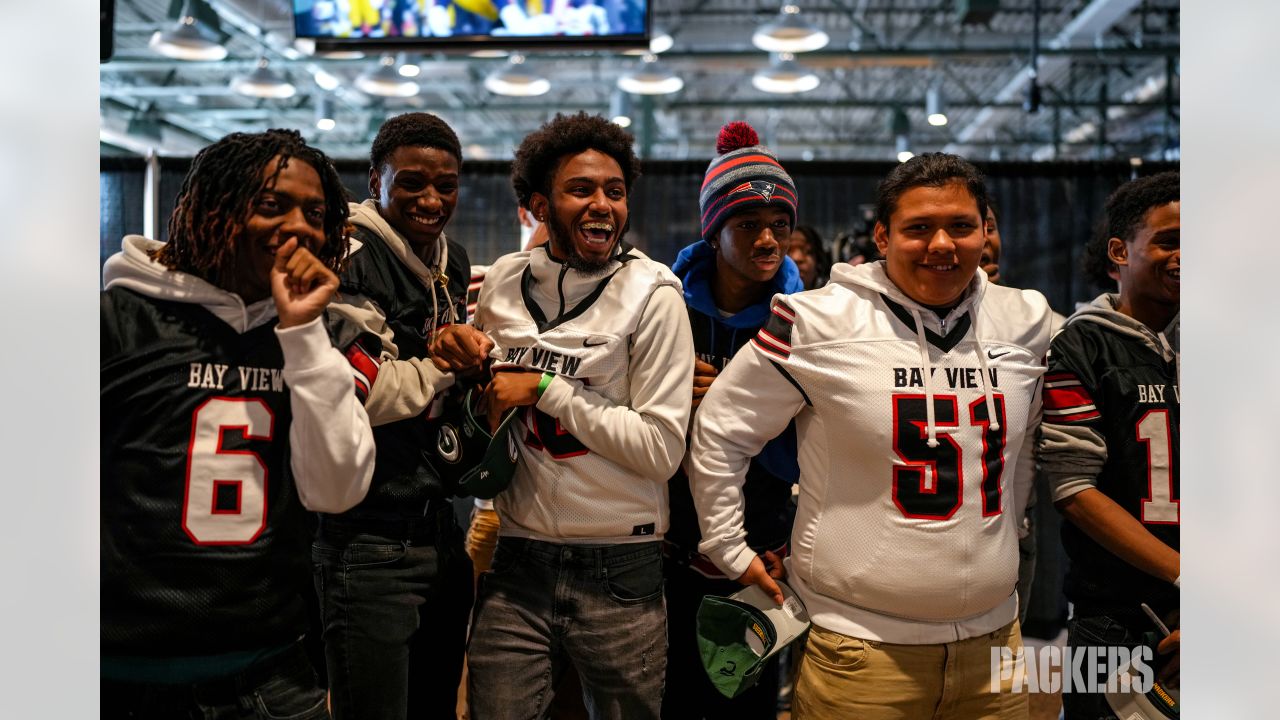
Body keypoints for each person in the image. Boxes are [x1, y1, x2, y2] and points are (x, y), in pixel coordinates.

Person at [688, 153, 1056, 720]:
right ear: (882, 236)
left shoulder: (1028, 319)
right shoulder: (816, 321)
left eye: (961, 226)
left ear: (986, 230)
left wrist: (1014, 525)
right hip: (860, 652)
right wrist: (728, 548)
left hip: (994, 649)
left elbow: (1026, 444)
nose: (942, 244)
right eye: (918, 228)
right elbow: (719, 430)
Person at [101, 129, 375, 718]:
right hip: (116, 671)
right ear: (212, 210)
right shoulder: (115, 321)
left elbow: (336, 491)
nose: (299, 227)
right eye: (271, 205)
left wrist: (302, 332)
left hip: (268, 674)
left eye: (316, 214)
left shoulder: (324, 336)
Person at [461, 111, 694, 720]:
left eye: (615, 192)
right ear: (540, 205)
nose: (602, 206)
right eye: (581, 190)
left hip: (621, 562)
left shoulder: (656, 294)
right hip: (517, 556)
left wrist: (545, 387)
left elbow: (660, 449)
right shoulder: (498, 283)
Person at [314, 111, 482, 720]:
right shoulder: (349, 254)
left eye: (447, 184)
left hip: (439, 522)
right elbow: (364, 394)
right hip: (367, 533)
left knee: (437, 704)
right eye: (411, 182)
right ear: (375, 180)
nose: (432, 199)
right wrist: (448, 366)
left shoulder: (451, 258)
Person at [663, 120, 804, 720]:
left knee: (742, 703)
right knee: (668, 700)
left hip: (760, 553)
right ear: (714, 231)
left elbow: (809, 451)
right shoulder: (662, 309)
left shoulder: (808, 323)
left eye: (780, 226)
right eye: (749, 225)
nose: (769, 239)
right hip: (664, 552)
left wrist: (735, 404)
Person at [1037, 171, 1180, 719]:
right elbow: (1074, 488)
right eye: (1168, 240)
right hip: (1117, 613)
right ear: (1120, 250)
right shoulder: (1082, 345)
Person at [787, 225, 830, 290]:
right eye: (788, 251)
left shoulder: (833, 294)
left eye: (808, 251)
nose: (797, 258)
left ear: (818, 261)